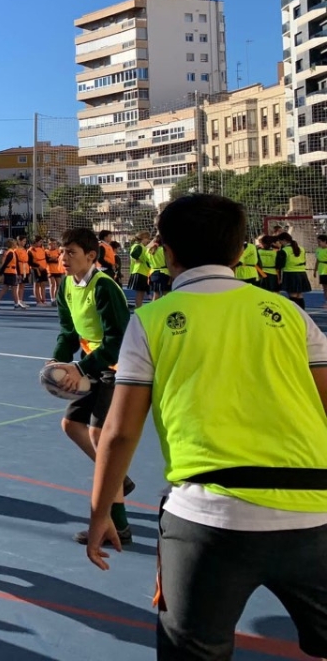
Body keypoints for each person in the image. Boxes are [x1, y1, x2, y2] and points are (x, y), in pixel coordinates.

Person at [85, 194, 327, 661]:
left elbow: (118, 431)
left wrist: (101, 515)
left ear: (167, 251)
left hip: (207, 518)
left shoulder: (151, 320)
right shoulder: (292, 316)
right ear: (240, 252)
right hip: (315, 509)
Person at [50, 227, 134, 545]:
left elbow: (117, 341)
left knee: (101, 437)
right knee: (72, 425)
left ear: (91, 256)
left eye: (70, 252)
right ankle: (118, 478)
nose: (63, 258)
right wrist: (58, 361)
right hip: (93, 367)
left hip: (117, 368)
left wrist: (79, 367)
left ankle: (121, 526)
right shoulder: (66, 287)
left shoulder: (105, 288)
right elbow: (68, 331)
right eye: (61, 252)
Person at [277, 231, 311, 310]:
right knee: (299, 294)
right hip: (302, 273)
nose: (280, 243)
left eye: (280, 241)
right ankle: (302, 312)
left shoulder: (285, 250)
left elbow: (280, 264)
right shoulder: (301, 248)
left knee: (292, 295)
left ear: (284, 240)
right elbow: (304, 260)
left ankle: (295, 312)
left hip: (290, 273)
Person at [0, 238, 24, 310]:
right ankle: (16, 304)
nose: (16, 244)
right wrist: (0, 272)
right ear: (12, 245)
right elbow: (6, 263)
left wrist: (19, 273)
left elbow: (16, 264)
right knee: (14, 289)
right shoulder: (10, 253)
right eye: (15, 243)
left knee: (5, 288)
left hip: (11, 272)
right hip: (10, 272)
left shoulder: (12, 252)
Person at [126, 232, 152, 309]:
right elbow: (133, 254)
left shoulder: (137, 246)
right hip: (140, 271)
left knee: (141, 292)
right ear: (143, 238)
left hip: (140, 271)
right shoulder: (139, 246)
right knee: (140, 292)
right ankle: (138, 307)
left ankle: (139, 306)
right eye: (147, 238)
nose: (148, 240)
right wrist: (138, 259)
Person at [146, 236, 171, 300]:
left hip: (153, 273)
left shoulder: (149, 251)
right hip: (165, 273)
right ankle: (166, 309)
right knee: (166, 294)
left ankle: (154, 309)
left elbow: (147, 262)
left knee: (156, 294)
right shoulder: (164, 250)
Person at [45, 238, 65, 306]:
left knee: (59, 284)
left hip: (57, 270)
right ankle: (52, 299)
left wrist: (54, 259)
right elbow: (48, 260)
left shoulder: (58, 251)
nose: (53, 245)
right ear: (49, 244)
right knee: (52, 284)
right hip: (50, 270)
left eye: (54, 244)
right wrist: (53, 259)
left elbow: (59, 259)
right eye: (51, 244)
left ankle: (57, 298)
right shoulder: (46, 251)